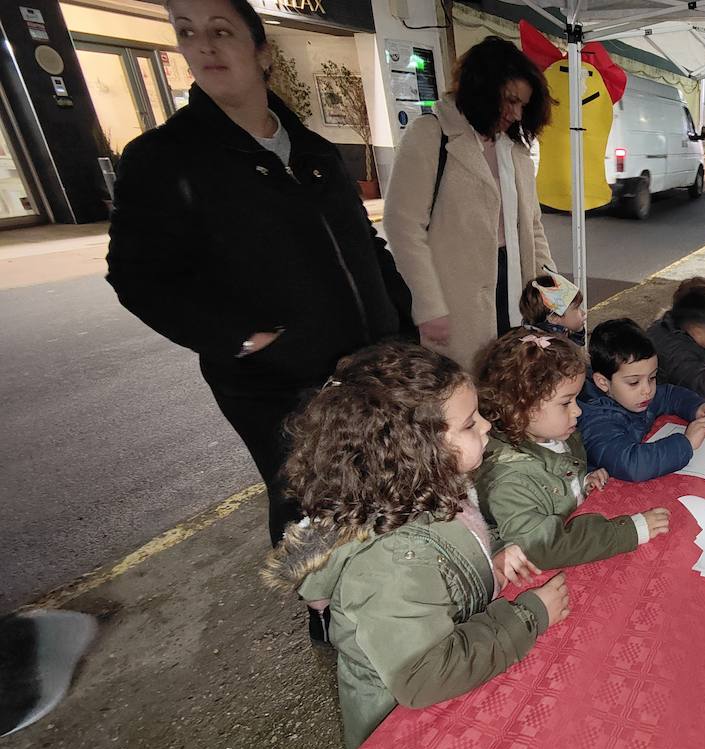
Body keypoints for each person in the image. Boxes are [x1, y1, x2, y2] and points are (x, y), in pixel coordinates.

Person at [106, 0, 415, 562]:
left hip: (370, 361)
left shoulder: (315, 150)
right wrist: (243, 339)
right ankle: (329, 619)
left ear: (261, 51)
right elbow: (136, 277)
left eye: (221, 31)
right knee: (309, 502)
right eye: (188, 33)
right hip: (277, 381)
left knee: (378, 482)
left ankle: (387, 598)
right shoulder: (164, 158)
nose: (204, 46)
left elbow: (365, 246)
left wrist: (400, 319)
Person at [262, 342, 569, 749]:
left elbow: (448, 566)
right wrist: (529, 617)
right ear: (415, 449)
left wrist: (488, 562)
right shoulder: (393, 562)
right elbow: (425, 675)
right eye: (468, 424)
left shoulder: (427, 492)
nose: (487, 427)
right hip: (404, 732)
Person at [385, 36, 556, 369]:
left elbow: (532, 227)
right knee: (462, 386)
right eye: (510, 101)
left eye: (523, 104)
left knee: (511, 381)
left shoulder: (515, 151)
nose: (516, 114)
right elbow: (403, 225)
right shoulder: (431, 134)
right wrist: (429, 304)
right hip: (455, 293)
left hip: (514, 283)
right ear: (482, 89)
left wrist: (555, 295)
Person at [474, 330, 671, 570]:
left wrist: (582, 479)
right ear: (519, 409)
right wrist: (631, 531)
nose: (578, 411)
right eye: (566, 403)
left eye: (576, 399)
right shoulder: (508, 482)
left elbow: (558, 476)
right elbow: (545, 547)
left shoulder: (553, 434)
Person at [577, 318, 705, 482]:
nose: (647, 390)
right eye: (634, 382)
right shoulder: (595, 422)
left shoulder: (637, 396)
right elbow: (633, 464)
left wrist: (697, 406)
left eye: (652, 377)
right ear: (603, 383)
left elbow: (668, 395)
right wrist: (686, 443)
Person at [518, 273, 586, 346]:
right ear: (554, 318)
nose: (584, 312)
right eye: (577, 308)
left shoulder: (560, 334)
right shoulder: (551, 349)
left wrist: (578, 330)